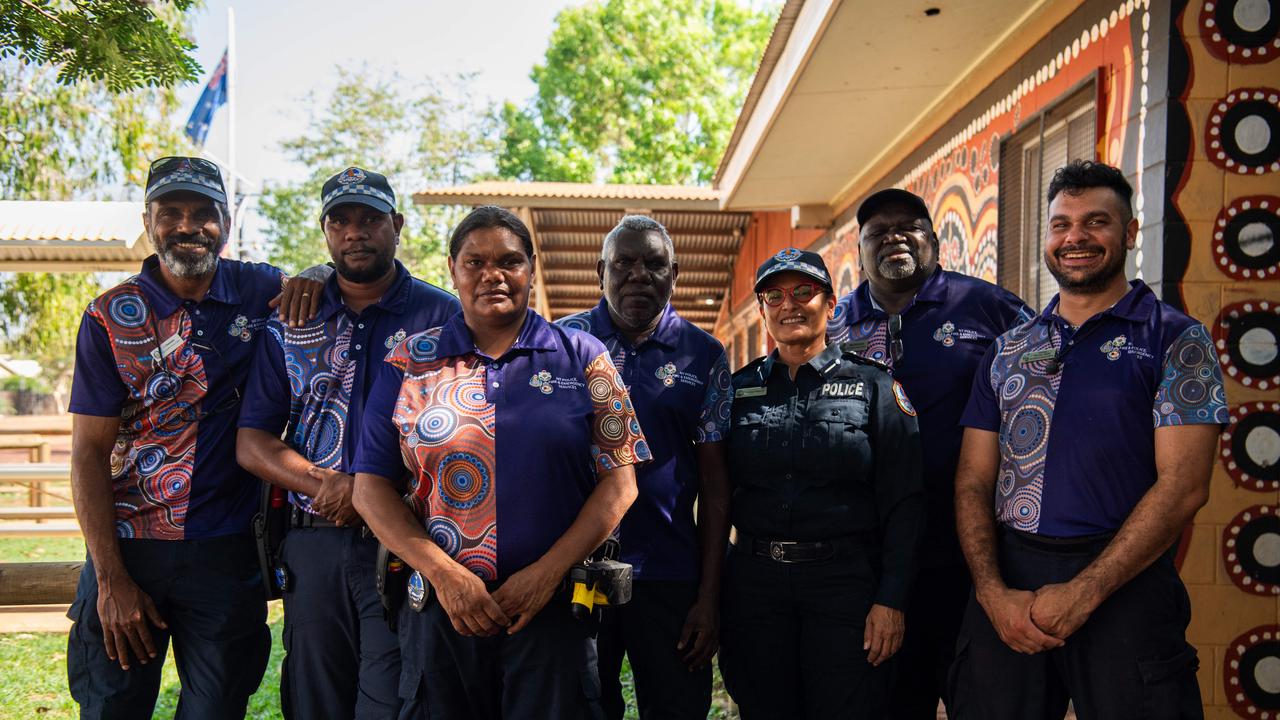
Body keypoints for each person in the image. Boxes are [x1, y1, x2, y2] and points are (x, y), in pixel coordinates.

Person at [351, 205, 652, 719]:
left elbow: (621, 482)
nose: (493, 274)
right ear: (453, 270)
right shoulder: (409, 361)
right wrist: (446, 576)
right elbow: (369, 488)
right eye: (475, 262)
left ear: (531, 268)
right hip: (442, 610)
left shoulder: (582, 355)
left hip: (554, 607)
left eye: (509, 261)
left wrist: (546, 574)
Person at [952, 160, 1228, 719]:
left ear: (1129, 233)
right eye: (1060, 224)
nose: (1075, 237)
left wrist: (1085, 592)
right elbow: (973, 479)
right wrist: (990, 591)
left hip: (1124, 578)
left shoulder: (1176, 340)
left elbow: (1184, 487)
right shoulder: (1008, 349)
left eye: (1095, 222)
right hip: (1011, 583)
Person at [66, 156, 326, 718]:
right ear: (148, 220)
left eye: (203, 213)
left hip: (227, 550)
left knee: (218, 707)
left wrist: (320, 273)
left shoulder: (260, 290)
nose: (187, 225)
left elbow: (324, 290)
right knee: (112, 706)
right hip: (130, 548)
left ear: (225, 224)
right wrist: (109, 578)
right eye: (171, 212)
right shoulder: (111, 316)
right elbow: (87, 451)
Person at [236, 166, 460, 719]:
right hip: (315, 544)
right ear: (325, 230)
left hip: (408, 543)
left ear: (397, 225)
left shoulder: (445, 317)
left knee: (397, 694)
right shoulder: (290, 318)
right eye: (341, 221)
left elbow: (464, 430)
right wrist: (324, 482)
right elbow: (252, 440)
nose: (356, 232)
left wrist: (378, 492)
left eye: (370, 219)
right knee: (316, 699)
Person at [827, 188, 1031, 718]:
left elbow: (1048, 389)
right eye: (877, 232)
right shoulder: (836, 325)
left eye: (908, 227)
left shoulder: (987, 306)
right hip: (873, 554)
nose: (893, 237)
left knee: (980, 693)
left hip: (970, 546)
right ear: (860, 251)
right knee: (890, 696)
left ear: (934, 242)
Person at [719, 247, 925, 719]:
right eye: (774, 295)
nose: (789, 304)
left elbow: (905, 502)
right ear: (763, 310)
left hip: (844, 585)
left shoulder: (874, 387)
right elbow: (715, 494)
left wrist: (890, 600)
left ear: (831, 304)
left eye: (804, 292)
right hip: (756, 587)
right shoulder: (736, 389)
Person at [557, 215, 731, 720]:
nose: (638, 275)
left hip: (669, 574)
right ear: (601, 271)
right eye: (624, 263)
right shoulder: (561, 343)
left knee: (676, 707)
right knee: (583, 707)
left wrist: (708, 598)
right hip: (577, 569)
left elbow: (718, 487)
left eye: (654, 264)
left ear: (674, 273)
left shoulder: (704, 354)